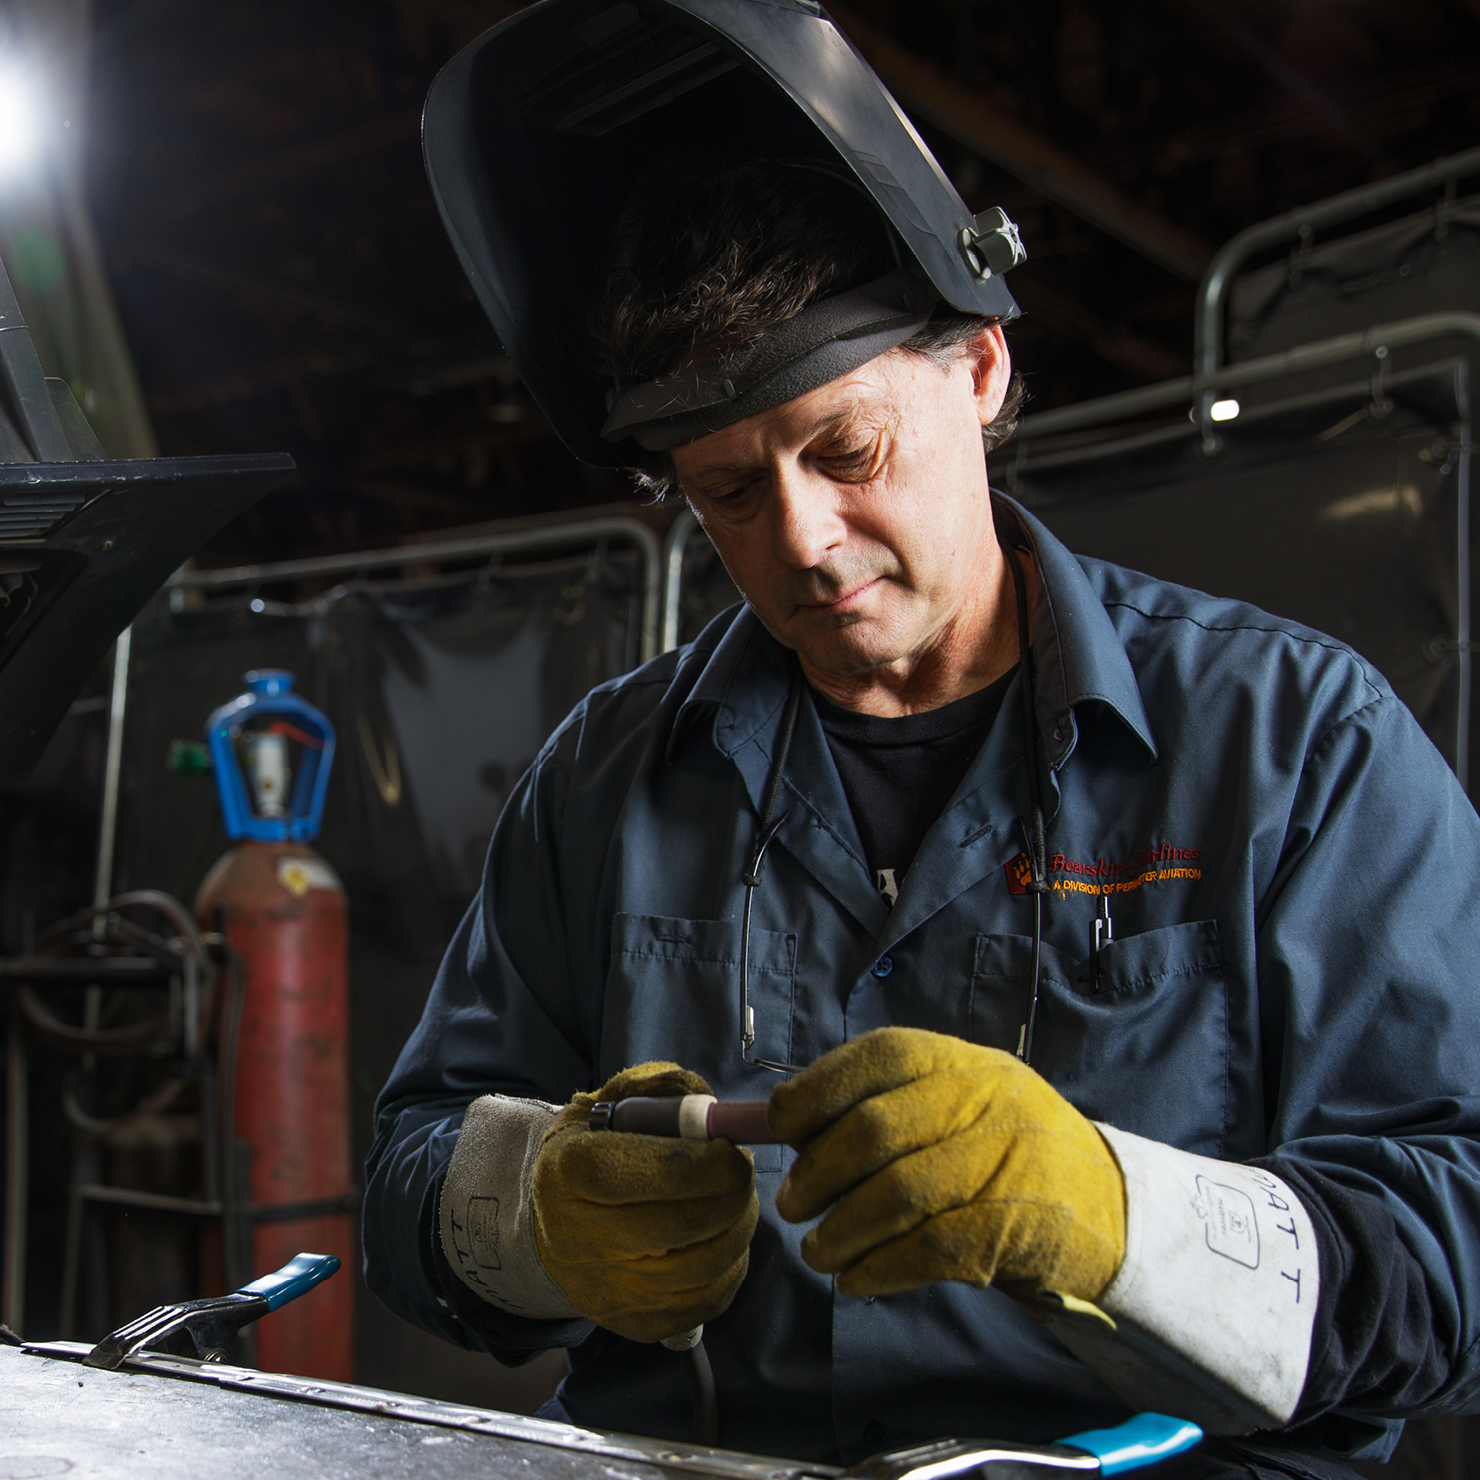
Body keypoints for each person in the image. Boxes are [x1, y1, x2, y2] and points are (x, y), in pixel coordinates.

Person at [365, 4, 1480, 1476]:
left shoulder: (1301, 753)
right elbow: (404, 1175)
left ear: (980, 371)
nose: (805, 543)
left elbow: (1454, 1243)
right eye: (728, 493)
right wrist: (530, 1206)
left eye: (846, 451)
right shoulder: (603, 783)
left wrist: (1118, 1218)